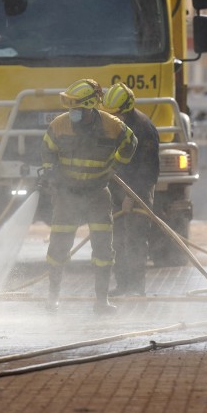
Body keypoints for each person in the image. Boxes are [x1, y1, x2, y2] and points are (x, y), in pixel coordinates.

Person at [39, 78, 137, 314]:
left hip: (96, 194)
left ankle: (101, 302)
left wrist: (116, 166)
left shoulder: (112, 125)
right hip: (67, 195)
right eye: (71, 108)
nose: (73, 113)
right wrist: (51, 172)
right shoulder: (60, 125)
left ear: (91, 106)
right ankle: (52, 298)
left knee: (103, 251)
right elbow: (46, 149)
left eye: (78, 108)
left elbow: (130, 143)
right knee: (58, 248)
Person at [102, 82, 160, 296]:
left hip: (138, 192)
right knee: (116, 240)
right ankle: (123, 285)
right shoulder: (116, 124)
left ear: (126, 109)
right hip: (117, 189)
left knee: (135, 240)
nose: (113, 117)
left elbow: (148, 168)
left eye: (117, 113)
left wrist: (132, 197)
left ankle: (136, 287)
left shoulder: (143, 128)